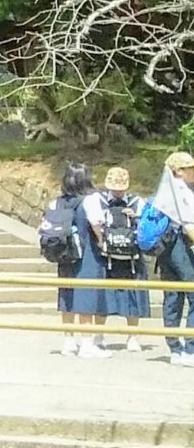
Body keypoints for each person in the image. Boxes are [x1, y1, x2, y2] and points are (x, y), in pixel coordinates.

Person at [44, 162, 109, 358]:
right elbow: (96, 224)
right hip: (86, 252)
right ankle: (87, 343)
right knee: (86, 294)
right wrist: (101, 241)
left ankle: (69, 341)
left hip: (64, 252)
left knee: (67, 295)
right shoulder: (90, 200)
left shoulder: (56, 201)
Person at [92, 166, 153, 351]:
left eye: (120, 188)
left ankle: (132, 336)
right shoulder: (98, 200)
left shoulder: (137, 202)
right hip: (106, 257)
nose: (117, 191)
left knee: (133, 296)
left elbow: (146, 227)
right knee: (102, 296)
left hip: (132, 258)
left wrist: (137, 217)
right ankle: (98, 335)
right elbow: (93, 222)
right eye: (114, 188)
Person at [152, 152, 194, 367]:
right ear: (178, 171)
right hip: (181, 246)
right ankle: (190, 347)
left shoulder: (162, 192)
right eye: (190, 168)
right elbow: (188, 225)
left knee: (172, 297)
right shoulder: (182, 193)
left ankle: (175, 348)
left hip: (164, 248)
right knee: (192, 293)